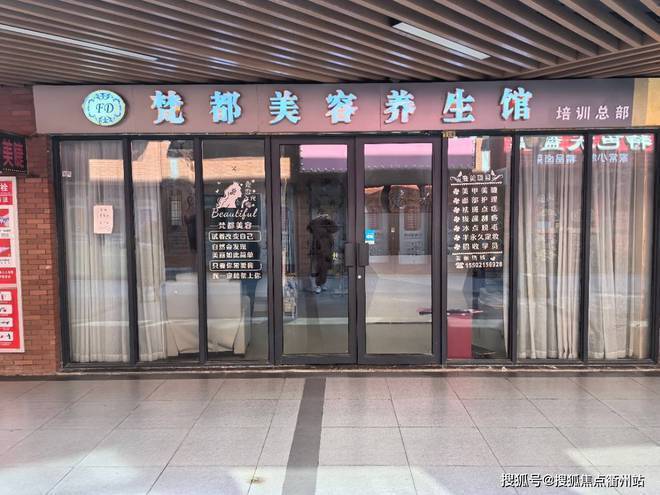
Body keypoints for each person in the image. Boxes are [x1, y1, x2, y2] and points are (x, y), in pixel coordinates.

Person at [307, 213, 338, 294]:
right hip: (320, 251)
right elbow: (310, 227)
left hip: (328, 251)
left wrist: (328, 220)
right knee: (320, 268)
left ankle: (322, 284)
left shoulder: (326, 225)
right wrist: (321, 219)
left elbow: (335, 228)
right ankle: (319, 285)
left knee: (325, 268)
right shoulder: (316, 225)